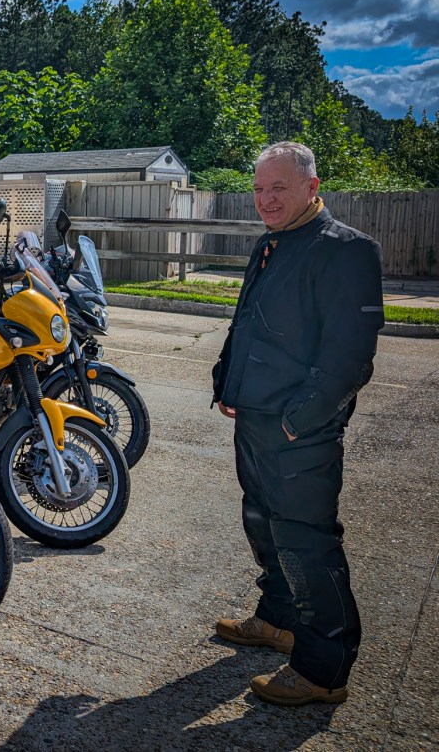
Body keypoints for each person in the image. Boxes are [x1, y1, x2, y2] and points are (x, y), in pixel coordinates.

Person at [211, 141, 383, 706]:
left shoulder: (347, 251)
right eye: (259, 189)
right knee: (264, 526)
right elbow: (249, 325)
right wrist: (226, 380)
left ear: (312, 187)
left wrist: (295, 423)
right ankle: (280, 620)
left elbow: (350, 359)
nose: (265, 199)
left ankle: (323, 669)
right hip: (256, 420)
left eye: (277, 188)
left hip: (299, 432)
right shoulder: (272, 244)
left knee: (307, 544)